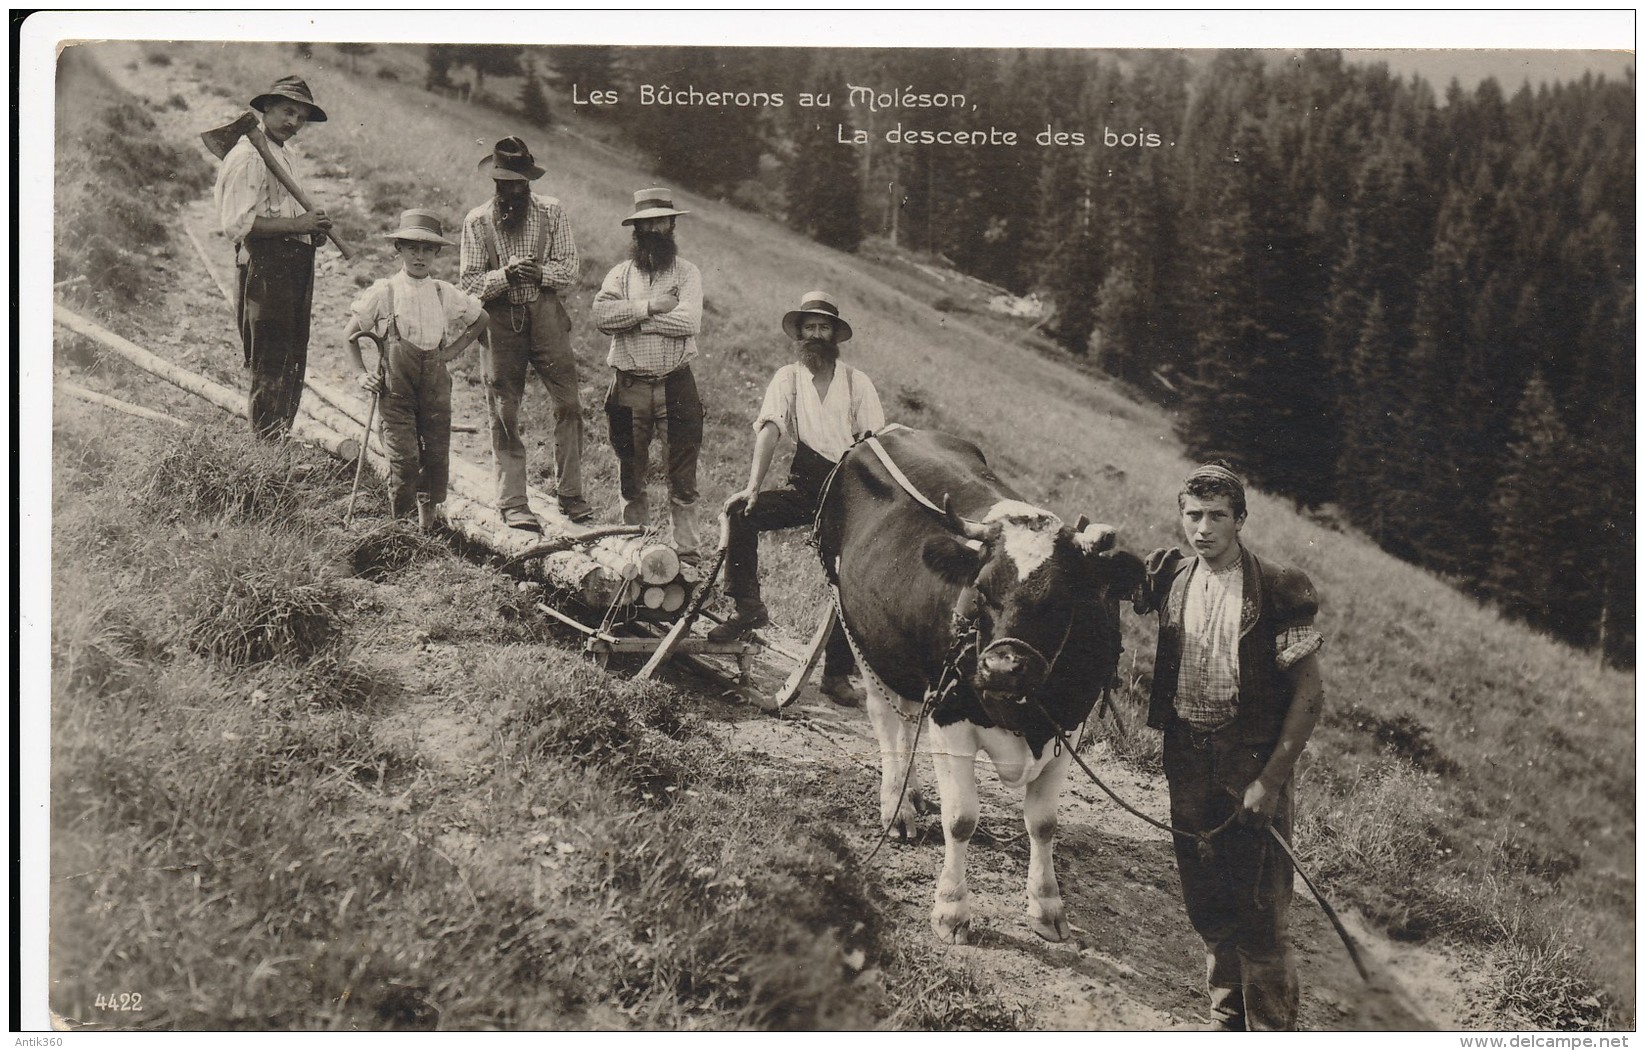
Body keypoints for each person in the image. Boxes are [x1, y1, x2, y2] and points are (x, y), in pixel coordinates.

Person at [1133, 463, 1326, 1031]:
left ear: (1240, 520)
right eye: (1193, 515)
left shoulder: (1279, 587)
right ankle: (1225, 1023)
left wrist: (1269, 781)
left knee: (1261, 914)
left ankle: (1270, 1030)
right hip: (1187, 763)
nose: (1203, 528)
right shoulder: (1170, 577)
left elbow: (1310, 693)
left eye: (1218, 516)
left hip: (1250, 764)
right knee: (1208, 902)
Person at [710, 292, 885, 707]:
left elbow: (875, 443)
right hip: (806, 484)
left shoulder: (857, 382)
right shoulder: (788, 378)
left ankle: (837, 675)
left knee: (847, 576)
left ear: (835, 336)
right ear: (800, 333)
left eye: (825, 328)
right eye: (811, 327)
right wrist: (754, 486)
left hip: (849, 488)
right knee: (741, 512)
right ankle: (748, 608)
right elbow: (769, 428)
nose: (818, 335)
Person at [458, 136, 589, 532]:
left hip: (547, 315)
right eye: (503, 183)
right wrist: (504, 275)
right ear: (494, 182)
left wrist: (540, 273)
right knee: (504, 409)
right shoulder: (477, 221)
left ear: (529, 181)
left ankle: (571, 493)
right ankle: (513, 501)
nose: (511, 190)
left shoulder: (551, 212)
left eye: (518, 183)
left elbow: (570, 268)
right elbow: (469, 285)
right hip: (500, 322)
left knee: (569, 404)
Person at [342, 210, 487, 531]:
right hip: (396, 391)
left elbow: (481, 319)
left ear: (436, 252)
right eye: (412, 248)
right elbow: (350, 334)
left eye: (427, 249)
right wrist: (360, 373)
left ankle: (426, 527)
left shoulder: (443, 292)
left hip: (435, 389)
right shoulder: (386, 291)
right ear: (399, 249)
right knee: (405, 460)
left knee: (435, 456)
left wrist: (450, 352)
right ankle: (400, 528)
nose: (419, 256)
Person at [213, 75, 332, 439]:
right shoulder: (249, 155)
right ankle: (264, 449)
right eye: (287, 111)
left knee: (292, 356)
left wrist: (310, 230)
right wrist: (297, 222)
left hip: (294, 262)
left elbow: (284, 211)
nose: (294, 122)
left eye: (301, 116)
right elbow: (240, 224)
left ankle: (277, 441)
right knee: (270, 358)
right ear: (265, 108)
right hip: (267, 265)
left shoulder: (283, 153)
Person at [592, 188, 705, 561]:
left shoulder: (687, 273)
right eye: (647, 222)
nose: (655, 228)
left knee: (683, 474)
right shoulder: (620, 274)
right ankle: (633, 545)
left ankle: (687, 555)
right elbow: (602, 316)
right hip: (629, 386)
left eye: (662, 220)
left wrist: (636, 321)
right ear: (636, 228)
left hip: (676, 384)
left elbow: (689, 322)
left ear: (672, 224)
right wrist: (651, 307)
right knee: (630, 467)